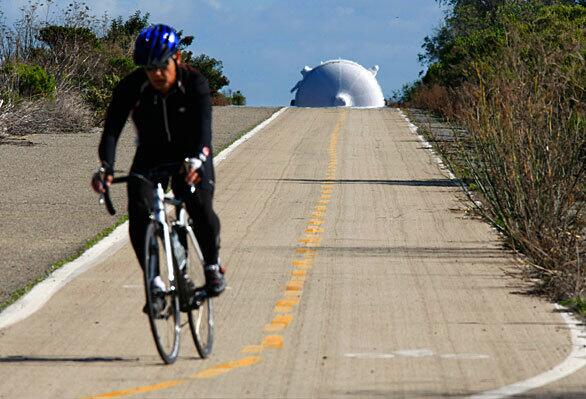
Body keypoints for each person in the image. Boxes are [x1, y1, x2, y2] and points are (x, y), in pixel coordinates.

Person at [91, 24, 226, 309]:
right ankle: (153, 283)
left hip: (190, 154)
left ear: (176, 57)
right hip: (151, 155)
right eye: (149, 68)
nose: (156, 74)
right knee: (139, 211)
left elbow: (204, 130)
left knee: (197, 203)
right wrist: (106, 167)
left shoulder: (194, 83)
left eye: (162, 65)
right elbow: (112, 129)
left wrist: (197, 160)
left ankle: (212, 266)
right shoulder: (132, 86)